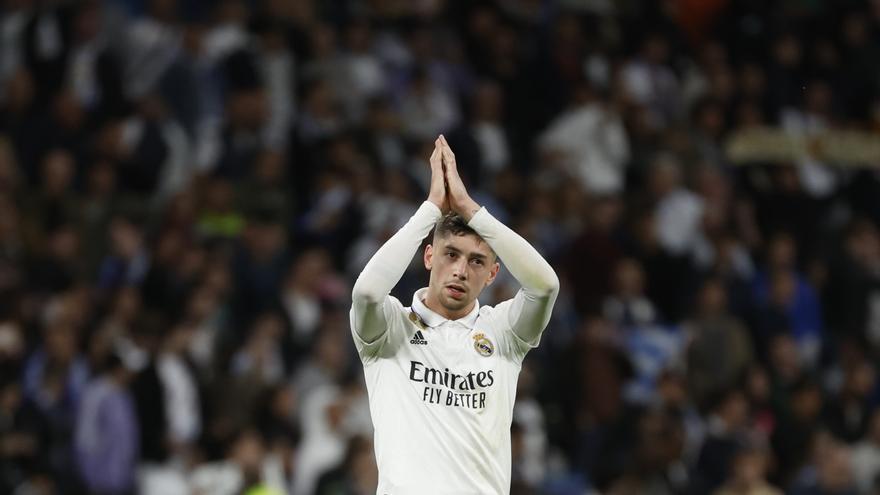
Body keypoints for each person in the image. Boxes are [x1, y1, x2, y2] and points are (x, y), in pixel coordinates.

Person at [349, 135, 560, 493]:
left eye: (477, 261)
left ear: (493, 275)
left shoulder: (504, 333)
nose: (461, 270)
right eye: (451, 254)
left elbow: (545, 286)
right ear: (429, 256)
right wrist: (431, 208)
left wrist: (471, 208)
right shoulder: (390, 329)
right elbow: (367, 292)